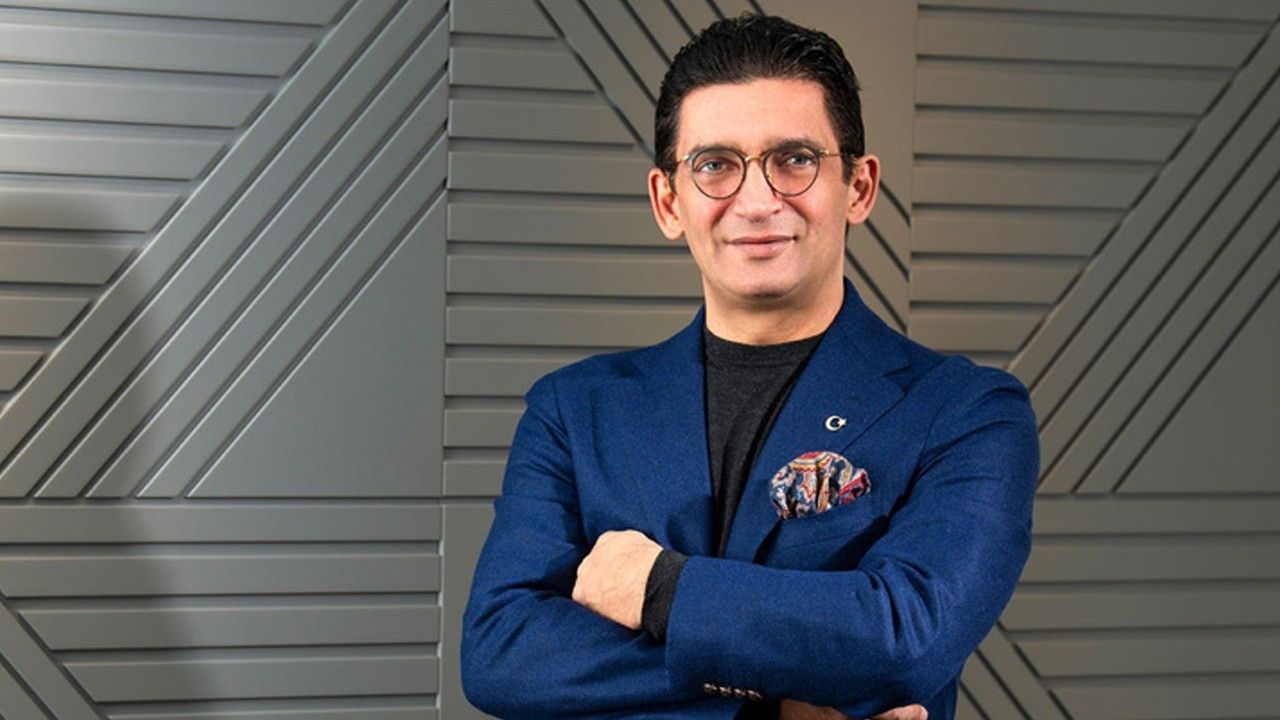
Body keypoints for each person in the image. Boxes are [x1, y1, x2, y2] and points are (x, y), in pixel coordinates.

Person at [460, 14, 1038, 720]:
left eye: (794, 159)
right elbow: (500, 653)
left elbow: (904, 638)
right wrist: (784, 689)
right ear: (668, 202)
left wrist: (660, 589)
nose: (758, 202)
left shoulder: (969, 412)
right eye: (715, 165)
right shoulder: (573, 410)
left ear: (858, 187)